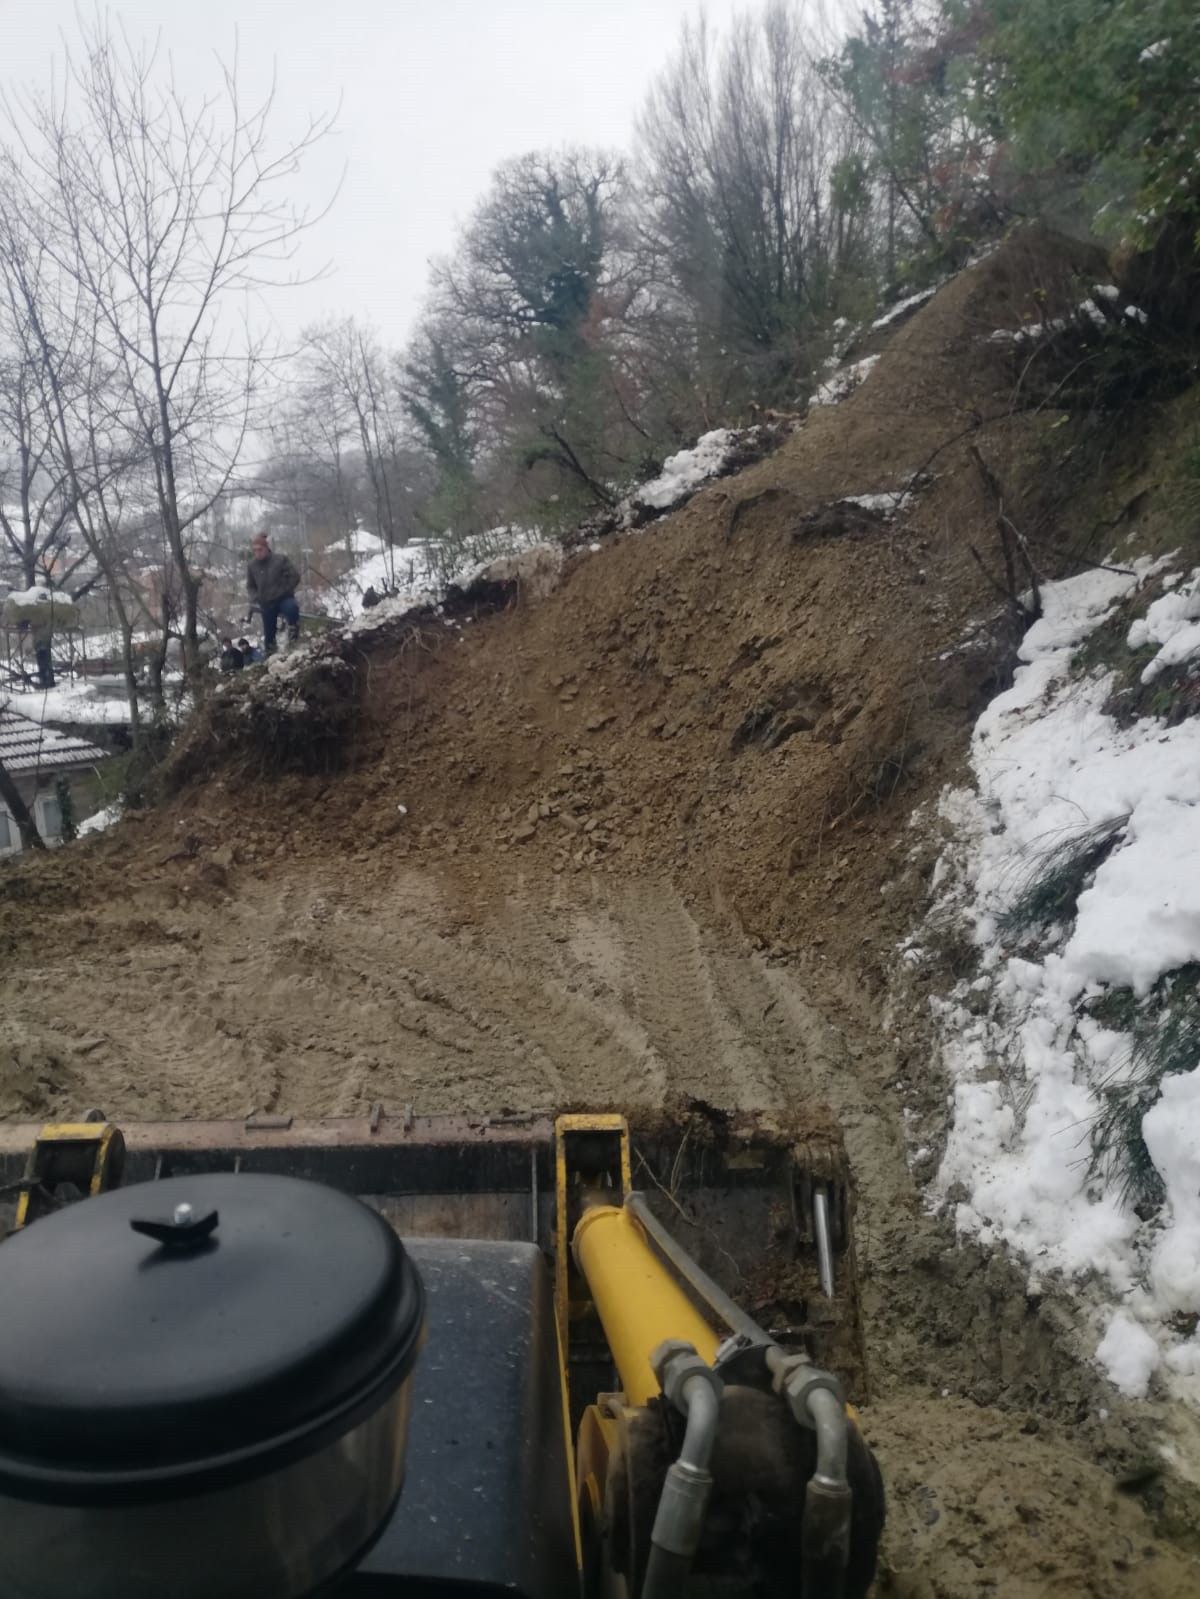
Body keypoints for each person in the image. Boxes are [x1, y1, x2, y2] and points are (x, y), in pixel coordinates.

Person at [245, 533, 302, 655]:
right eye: (255, 550)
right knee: (269, 635)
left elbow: (295, 576)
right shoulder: (252, 566)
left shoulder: (280, 560)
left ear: (266, 548)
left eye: (260, 549)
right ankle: (270, 657)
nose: (258, 553)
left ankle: (293, 637)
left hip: (283, 598)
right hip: (266, 603)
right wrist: (256, 597)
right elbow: (250, 586)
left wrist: (285, 590)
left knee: (292, 608)